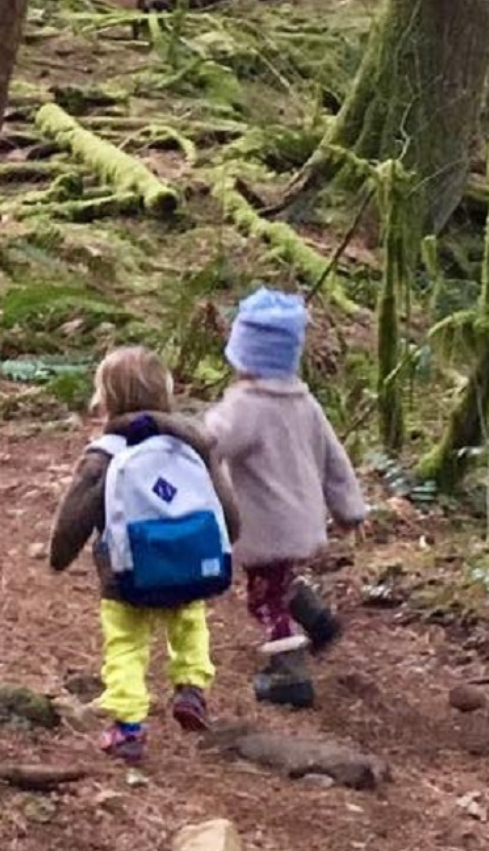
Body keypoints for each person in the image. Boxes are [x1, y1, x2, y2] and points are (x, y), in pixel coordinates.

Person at [48, 346, 240, 764]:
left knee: (126, 646)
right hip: (190, 564)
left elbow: (74, 515)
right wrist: (230, 538)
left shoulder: (105, 453)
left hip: (126, 576)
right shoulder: (194, 444)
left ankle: (128, 727)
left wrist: (59, 555)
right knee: (189, 623)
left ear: (106, 398)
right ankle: (191, 687)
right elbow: (226, 509)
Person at [206, 288, 367, 709]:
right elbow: (335, 457)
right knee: (278, 581)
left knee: (263, 599)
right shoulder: (305, 401)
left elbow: (210, 443)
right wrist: (349, 507)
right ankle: (317, 620)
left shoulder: (246, 406)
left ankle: (289, 673)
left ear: (244, 355)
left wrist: (174, 445)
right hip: (301, 518)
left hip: (265, 523)